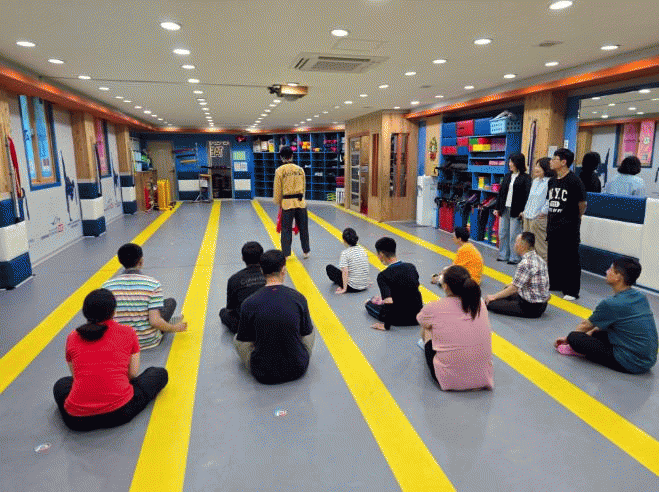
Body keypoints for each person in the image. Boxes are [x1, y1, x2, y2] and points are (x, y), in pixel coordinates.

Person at [53, 289, 168, 431]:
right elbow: (132, 374)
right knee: (158, 373)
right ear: (113, 312)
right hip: (120, 412)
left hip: (77, 421)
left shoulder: (72, 337)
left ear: (85, 312)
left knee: (61, 384)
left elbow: (75, 376)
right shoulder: (127, 332)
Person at [555, 258, 657, 374]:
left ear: (618, 277)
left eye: (611, 269)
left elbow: (585, 325)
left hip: (631, 363)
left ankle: (579, 350)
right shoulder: (640, 297)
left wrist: (568, 339)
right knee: (597, 331)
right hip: (648, 359)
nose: (607, 271)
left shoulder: (611, 303)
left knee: (575, 337)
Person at [234, 249, 315, 384]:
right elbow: (305, 331)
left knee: (237, 338)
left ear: (261, 271)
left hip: (263, 373)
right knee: (310, 328)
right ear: (284, 270)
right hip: (297, 368)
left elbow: (245, 338)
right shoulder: (298, 298)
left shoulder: (248, 303)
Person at [417, 265, 493, 391]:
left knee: (428, 328)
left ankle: (426, 346)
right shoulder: (479, 303)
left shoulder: (434, 307)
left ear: (445, 286)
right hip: (483, 378)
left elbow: (421, 321)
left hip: (449, 380)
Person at [102, 243, 187, 349]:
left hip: (120, 342)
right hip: (148, 340)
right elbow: (155, 321)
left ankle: (165, 323)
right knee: (170, 302)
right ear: (141, 261)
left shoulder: (107, 286)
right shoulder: (152, 284)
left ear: (120, 261)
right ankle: (167, 324)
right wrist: (175, 328)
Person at [546, 148, 588, 301]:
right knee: (554, 257)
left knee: (570, 259)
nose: (551, 161)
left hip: (569, 227)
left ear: (563, 162)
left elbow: (582, 204)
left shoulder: (575, 181)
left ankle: (571, 291)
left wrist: (576, 218)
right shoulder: (552, 181)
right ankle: (555, 284)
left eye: (554, 159)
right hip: (553, 225)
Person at [485, 232, 550, 318]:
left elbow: (514, 288)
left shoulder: (525, 263)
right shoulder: (540, 259)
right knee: (507, 290)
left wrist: (494, 297)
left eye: (516, 242)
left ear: (522, 247)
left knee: (492, 304)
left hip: (531, 307)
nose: (514, 245)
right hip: (543, 304)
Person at [365, 237, 423, 331]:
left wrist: (386, 326)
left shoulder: (383, 276)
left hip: (398, 319)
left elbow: (389, 302)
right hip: (417, 317)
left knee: (368, 304)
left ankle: (369, 302)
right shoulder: (411, 267)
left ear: (381, 254)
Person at [220, 241, 266, 333]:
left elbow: (230, 308)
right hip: (268, 322)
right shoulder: (270, 276)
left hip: (246, 327)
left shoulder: (234, 279)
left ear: (243, 258)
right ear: (262, 257)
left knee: (223, 312)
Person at [494, 152, 532, 265]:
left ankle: (514, 257)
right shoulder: (507, 176)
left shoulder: (526, 178)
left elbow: (527, 196)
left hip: (517, 210)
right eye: (509, 161)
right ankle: (503, 255)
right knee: (503, 233)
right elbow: (501, 193)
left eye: (512, 162)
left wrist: (523, 210)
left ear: (518, 163)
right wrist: (497, 208)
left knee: (514, 235)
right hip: (504, 208)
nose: (509, 164)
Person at [273, 145, 310, 258]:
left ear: (281, 157)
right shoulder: (300, 170)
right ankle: (306, 252)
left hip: (287, 203)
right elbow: (304, 186)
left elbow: (277, 189)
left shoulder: (279, 171)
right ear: (292, 156)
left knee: (286, 229)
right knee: (303, 228)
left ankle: (286, 254)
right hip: (300, 202)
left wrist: (278, 202)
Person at [521, 157, 554, 263]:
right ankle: (530, 267)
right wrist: (524, 212)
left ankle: (543, 270)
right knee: (527, 247)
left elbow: (550, 200)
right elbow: (530, 199)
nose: (536, 168)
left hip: (538, 219)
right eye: (536, 166)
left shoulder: (550, 182)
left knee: (540, 248)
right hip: (528, 217)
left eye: (539, 166)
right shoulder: (535, 181)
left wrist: (543, 212)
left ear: (546, 168)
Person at [326, 227, 370, 294]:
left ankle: (345, 285)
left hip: (352, 287)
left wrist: (344, 289)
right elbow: (364, 266)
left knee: (329, 268)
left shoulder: (345, 253)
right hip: (364, 285)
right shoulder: (362, 250)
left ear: (344, 240)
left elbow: (345, 271)